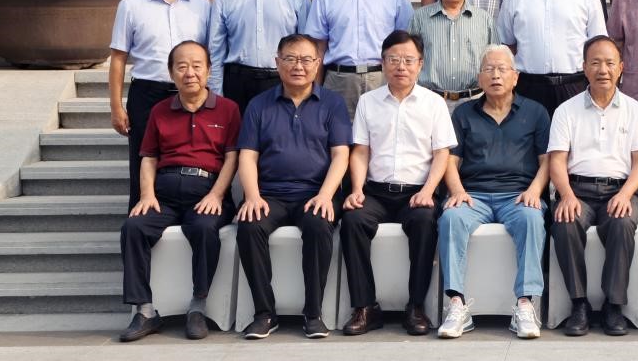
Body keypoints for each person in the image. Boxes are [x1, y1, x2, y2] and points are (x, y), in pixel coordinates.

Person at [118, 41, 240, 342]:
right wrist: (147, 195)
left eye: (197, 66)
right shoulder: (160, 111)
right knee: (133, 227)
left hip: (207, 192)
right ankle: (145, 310)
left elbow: (232, 158)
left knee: (204, 228)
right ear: (172, 73)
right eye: (182, 66)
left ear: (209, 71)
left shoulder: (228, 109)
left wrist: (216, 194)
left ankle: (197, 306)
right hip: (165, 194)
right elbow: (148, 158)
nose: (190, 73)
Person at [340, 31, 456, 336]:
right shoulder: (368, 102)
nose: (400, 66)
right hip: (376, 191)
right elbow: (360, 151)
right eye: (393, 59)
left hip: (417, 192)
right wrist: (356, 190)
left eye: (408, 60)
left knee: (425, 221)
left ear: (420, 64)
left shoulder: (434, 103)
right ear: (382, 63)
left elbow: (441, 153)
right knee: (352, 220)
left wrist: (428, 191)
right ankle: (365, 307)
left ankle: (415, 306)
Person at [235, 34, 351, 340]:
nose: (298, 66)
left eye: (306, 60)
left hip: (315, 193)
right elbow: (247, 156)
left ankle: (313, 313)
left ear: (318, 64)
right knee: (249, 225)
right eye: (290, 59)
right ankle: (264, 313)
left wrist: (326, 195)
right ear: (277, 63)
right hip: (270, 194)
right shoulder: (259, 105)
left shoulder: (332, 103)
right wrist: (252, 196)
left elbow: (341, 155)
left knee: (318, 224)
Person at [436, 45, 551, 340]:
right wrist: (457, 190)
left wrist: (535, 190)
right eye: (489, 69)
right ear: (479, 77)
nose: (495, 75)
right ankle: (456, 304)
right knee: (451, 218)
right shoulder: (464, 113)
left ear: (515, 77)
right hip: (474, 195)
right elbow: (450, 160)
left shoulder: (535, 112)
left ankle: (525, 304)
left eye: (502, 69)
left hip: (518, 195)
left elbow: (547, 161)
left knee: (532, 218)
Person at [547, 35, 638, 337]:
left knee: (622, 223)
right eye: (595, 63)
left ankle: (613, 305)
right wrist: (566, 195)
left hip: (619, 190)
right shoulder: (566, 110)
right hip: (577, 191)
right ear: (584, 67)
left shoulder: (635, 110)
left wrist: (626, 194)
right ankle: (579, 304)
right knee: (565, 223)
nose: (602, 70)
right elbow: (557, 161)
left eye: (609, 63)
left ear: (621, 67)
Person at [110, 0, 211, 207]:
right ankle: (140, 219)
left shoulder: (202, 6)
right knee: (143, 159)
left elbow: (210, 56)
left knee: (190, 159)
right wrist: (116, 107)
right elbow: (118, 58)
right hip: (148, 93)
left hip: (192, 95)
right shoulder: (131, 5)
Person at [303, 0, 414, 117]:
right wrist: (314, 91)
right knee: (339, 134)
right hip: (339, 81)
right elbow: (318, 48)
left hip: (383, 79)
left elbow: (406, 45)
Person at [408, 0, 495, 113]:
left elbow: (495, 62)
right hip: (430, 103)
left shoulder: (484, 20)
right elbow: (409, 61)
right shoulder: (419, 18)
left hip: (475, 103)